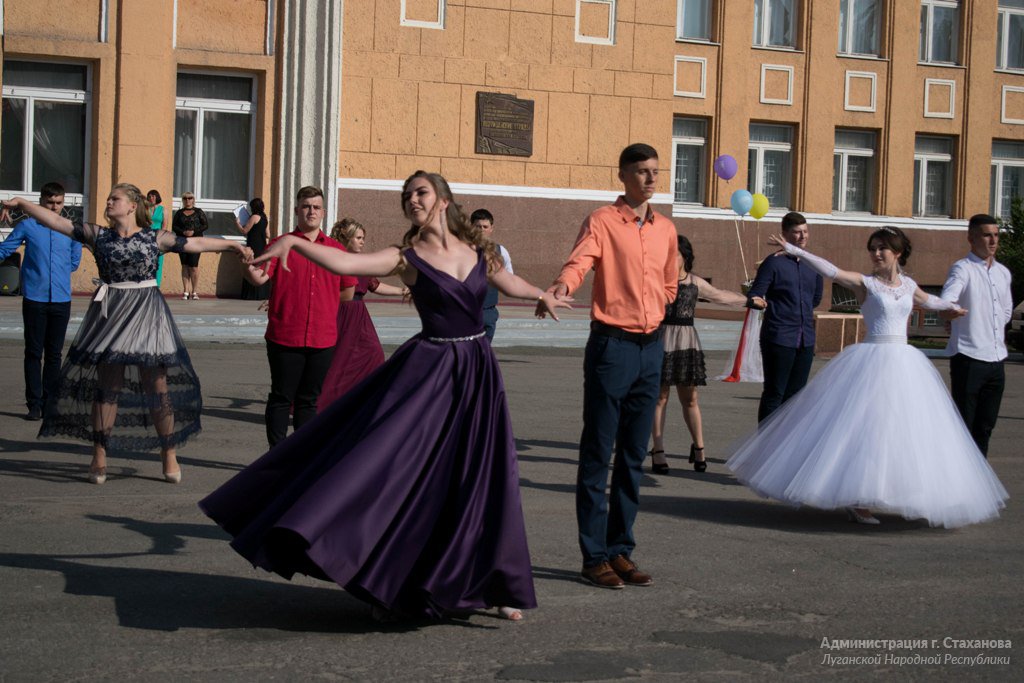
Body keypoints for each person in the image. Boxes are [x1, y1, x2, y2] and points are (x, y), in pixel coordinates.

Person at [199, 170, 570, 622]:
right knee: (408, 476)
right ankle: (390, 584)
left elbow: (509, 283)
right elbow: (345, 266)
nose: (412, 199)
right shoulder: (406, 257)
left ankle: (494, 585)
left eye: (421, 192)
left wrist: (542, 294)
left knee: (481, 477)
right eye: (407, 195)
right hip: (430, 374)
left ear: (443, 199)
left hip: (477, 373)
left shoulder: (478, 251)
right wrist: (294, 244)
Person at [727, 227, 1008, 527]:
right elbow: (832, 271)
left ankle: (906, 493)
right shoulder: (867, 284)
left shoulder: (909, 285)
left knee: (905, 432)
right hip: (871, 360)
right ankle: (858, 499)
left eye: (882, 248)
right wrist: (798, 252)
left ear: (897, 253)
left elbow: (930, 301)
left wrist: (952, 306)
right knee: (865, 429)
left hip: (905, 364)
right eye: (873, 248)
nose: (875, 254)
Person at [0, 183, 251, 485]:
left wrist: (232, 245)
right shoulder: (98, 235)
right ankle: (99, 454)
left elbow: (194, 244)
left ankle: (168, 452)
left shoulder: (153, 237)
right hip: (111, 313)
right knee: (108, 388)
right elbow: (56, 221)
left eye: (114, 199)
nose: (108, 202)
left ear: (132, 206)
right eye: (108, 198)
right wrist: (22, 204)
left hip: (147, 313)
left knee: (157, 387)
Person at [541, 143, 678, 590]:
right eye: (641, 171)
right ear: (622, 175)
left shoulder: (666, 230)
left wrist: (656, 306)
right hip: (612, 348)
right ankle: (593, 555)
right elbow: (581, 260)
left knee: (635, 455)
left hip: (651, 348)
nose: (650, 179)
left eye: (655, 171)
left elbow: (671, 283)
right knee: (599, 452)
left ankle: (621, 549)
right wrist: (562, 285)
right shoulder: (602, 220)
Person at [239, 186, 357, 446]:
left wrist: (322, 307)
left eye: (316, 207)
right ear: (296, 210)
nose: (311, 211)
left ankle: (300, 456)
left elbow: (347, 292)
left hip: (322, 338)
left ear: (323, 212)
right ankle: (277, 456)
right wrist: (246, 265)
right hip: (285, 336)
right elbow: (259, 278)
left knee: (308, 401)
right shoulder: (281, 244)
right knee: (281, 397)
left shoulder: (336, 249)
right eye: (306, 206)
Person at [649, 235, 763, 474]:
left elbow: (721, 296)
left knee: (690, 399)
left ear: (685, 258)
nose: (670, 260)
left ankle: (699, 447)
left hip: (686, 342)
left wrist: (749, 300)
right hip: (659, 341)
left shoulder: (694, 283)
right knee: (659, 398)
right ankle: (658, 450)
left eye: (676, 255)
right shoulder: (655, 281)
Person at [0, 182, 82, 421]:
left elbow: (75, 261)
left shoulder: (69, 228)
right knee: (34, 352)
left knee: (54, 354)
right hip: (35, 297)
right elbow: (5, 250)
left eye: (58, 203)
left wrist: (58, 269)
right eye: (49, 203)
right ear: (41, 202)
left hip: (60, 298)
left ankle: (50, 403)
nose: (54, 207)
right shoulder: (27, 225)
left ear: (63, 203)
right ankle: (34, 404)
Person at [940, 214, 1014, 458]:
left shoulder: (1003, 272)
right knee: (965, 425)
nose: (993, 240)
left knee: (985, 425)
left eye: (996, 235)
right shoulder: (963, 269)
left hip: (996, 359)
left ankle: (979, 477)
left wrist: (989, 328)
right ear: (971, 238)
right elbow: (948, 298)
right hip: (969, 358)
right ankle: (959, 480)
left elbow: (1005, 310)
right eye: (986, 235)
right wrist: (950, 311)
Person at [317, 218, 407, 412]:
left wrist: (402, 292)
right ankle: (324, 404)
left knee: (374, 353)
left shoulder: (362, 262)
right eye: (358, 237)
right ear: (346, 238)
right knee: (337, 361)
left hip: (359, 316)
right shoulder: (334, 259)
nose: (362, 241)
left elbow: (374, 285)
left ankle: (364, 399)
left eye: (363, 238)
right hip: (338, 314)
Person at [746, 212, 823, 422]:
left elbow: (815, 298)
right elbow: (756, 292)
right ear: (785, 234)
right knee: (775, 393)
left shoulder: (813, 263)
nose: (802, 236)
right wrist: (757, 300)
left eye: (805, 231)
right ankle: (765, 447)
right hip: (779, 337)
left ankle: (786, 447)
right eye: (796, 232)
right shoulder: (773, 262)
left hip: (805, 338)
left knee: (796, 396)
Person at [470, 209, 513, 341]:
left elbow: (510, 280)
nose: (482, 230)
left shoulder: (501, 251)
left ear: (491, 228)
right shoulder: (459, 249)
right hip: (465, 312)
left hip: (488, 312)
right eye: (478, 227)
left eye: (485, 227)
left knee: (483, 354)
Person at [172, 192, 208, 300]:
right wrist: (183, 232)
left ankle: (195, 291)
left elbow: (205, 225)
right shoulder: (179, 213)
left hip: (196, 242)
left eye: (190, 198)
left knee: (194, 266)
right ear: (183, 200)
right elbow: (174, 226)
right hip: (182, 241)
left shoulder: (199, 212)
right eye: (185, 198)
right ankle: (186, 291)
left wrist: (194, 231)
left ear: (193, 199)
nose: (187, 200)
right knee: (184, 265)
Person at [236, 198, 272, 301]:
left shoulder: (254, 217)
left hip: (253, 245)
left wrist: (237, 223)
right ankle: (262, 294)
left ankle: (251, 294)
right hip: (262, 245)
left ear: (253, 207)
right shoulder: (264, 218)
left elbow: (244, 230)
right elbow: (268, 235)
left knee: (250, 266)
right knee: (259, 268)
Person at [146, 190, 166, 288]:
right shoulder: (146, 209)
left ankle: (156, 287)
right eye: (149, 196)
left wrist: (161, 239)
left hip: (158, 239)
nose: (151, 198)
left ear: (157, 197)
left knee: (158, 263)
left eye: (153, 196)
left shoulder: (163, 209)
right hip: (146, 238)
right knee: (146, 262)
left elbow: (164, 226)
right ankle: (147, 286)